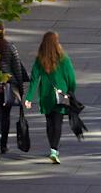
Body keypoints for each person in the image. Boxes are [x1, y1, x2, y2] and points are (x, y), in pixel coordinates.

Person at [23, 31, 78, 166]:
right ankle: (54, 149)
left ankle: (52, 147)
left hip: (46, 95)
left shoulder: (40, 59)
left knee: (49, 122)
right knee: (58, 122)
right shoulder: (63, 59)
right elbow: (71, 78)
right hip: (60, 96)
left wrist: (29, 98)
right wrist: (71, 91)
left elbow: (34, 80)